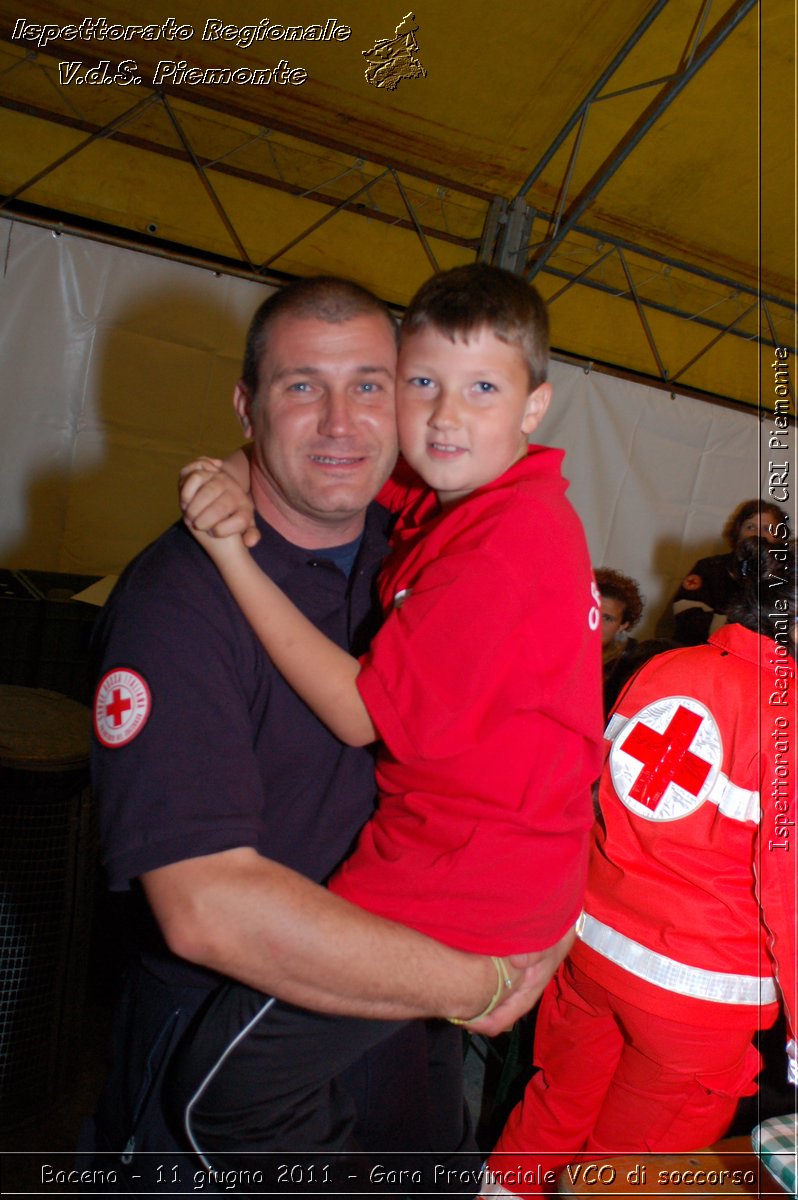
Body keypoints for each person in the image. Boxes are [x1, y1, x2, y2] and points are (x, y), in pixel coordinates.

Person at [84, 276, 567, 1194]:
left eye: (373, 384)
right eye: (302, 386)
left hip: (402, 1046)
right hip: (233, 1055)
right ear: (248, 405)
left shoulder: (428, 541)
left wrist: (546, 922)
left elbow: (536, 731)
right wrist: (479, 987)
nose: (342, 421)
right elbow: (208, 907)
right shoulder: (177, 600)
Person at [480, 536, 797, 1197]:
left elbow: (590, 804)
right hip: (696, 995)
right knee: (630, 1169)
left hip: (591, 953)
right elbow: (788, 888)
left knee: (551, 1109)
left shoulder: (662, 670)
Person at [670, 498, 788, 645]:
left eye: (766, 529)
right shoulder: (710, 567)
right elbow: (686, 614)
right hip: (704, 652)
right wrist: (740, 632)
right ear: (738, 532)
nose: (758, 534)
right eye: (750, 527)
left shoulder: (788, 576)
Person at [596, 568, 672, 717]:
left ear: (623, 625)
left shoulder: (632, 663)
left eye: (607, 618)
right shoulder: (554, 646)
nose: (596, 622)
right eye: (592, 611)